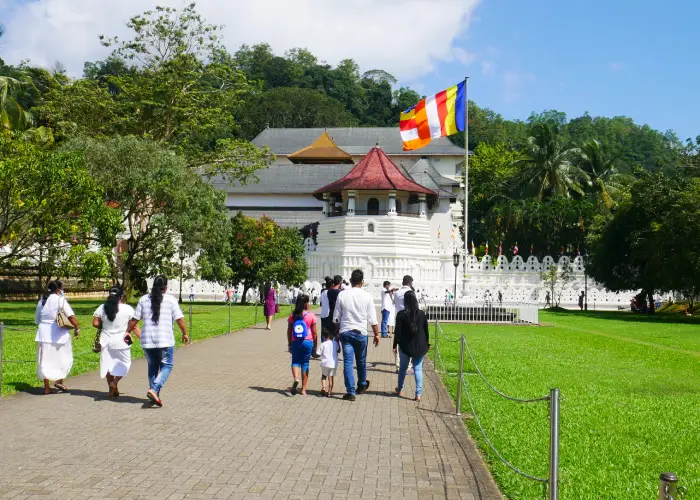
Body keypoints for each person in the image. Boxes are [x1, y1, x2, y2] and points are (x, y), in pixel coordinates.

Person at [126, 275, 189, 407]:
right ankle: (154, 390)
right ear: (165, 288)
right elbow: (179, 319)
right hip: (165, 340)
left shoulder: (143, 299)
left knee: (153, 367)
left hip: (147, 340)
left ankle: (154, 396)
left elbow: (134, 320)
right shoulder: (171, 300)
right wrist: (184, 333)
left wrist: (127, 331)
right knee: (167, 365)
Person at [333, 269, 379, 401]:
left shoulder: (342, 295)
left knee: (348, 362)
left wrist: (338, 331)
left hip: (346, 332)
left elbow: (336, 318)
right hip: (361, 333)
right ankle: (362, 384)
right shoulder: (367, 296)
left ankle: (351, 391)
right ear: (362, 282)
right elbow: (372, 319)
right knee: (361, 361)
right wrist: (377, 334)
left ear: (351, 281)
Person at [92, 287, 140, 397]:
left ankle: (111, 389)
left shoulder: (102, 307)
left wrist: (104, 325)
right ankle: (115, 383)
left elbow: (95, 323)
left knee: (108, 365)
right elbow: (134, 326)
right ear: (121, 297)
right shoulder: (127, 309)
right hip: (121, 340)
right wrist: (142, 338)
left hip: (105, 339)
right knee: (125, 363)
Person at [34, 281, 80, 394]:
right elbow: (71, 316)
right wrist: (77, 327)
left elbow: (37, 320)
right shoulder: (60, 300)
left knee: (44, 360)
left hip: (43, 334)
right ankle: (59, 381)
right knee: (62, 357)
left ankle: (46, 387)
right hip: (58, 334)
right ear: (58, 290)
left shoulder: (41, 302)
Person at [393, 291, 430, 402]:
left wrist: (394, 345)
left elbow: (397, 332)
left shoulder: (401, 314)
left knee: (403, 368)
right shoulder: (422, 314)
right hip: (419, 346)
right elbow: (426, 331)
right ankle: (418, 394)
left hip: (405, 346)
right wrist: (428, 343)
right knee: (418, 369)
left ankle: (400, 388)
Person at [286, 294, 318, 396]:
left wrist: (289, 343)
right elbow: (314, 332)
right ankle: (303, 390)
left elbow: (289, 330)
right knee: (305, 363)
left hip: (296, 341)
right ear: (306, 304)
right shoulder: (311, 316)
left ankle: (296, 378)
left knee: (295, 361)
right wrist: (315, 345)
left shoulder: (293, 316)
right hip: (308, 341)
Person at [316, 329, 339, 397]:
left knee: (323, 376)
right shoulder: (335, 343)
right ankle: (329, 392)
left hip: (325, 363)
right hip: (333, 363)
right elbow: (338, 350)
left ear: (323, 336)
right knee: (331, 378)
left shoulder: (323, 344)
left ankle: (323, 388)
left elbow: (318, 353)